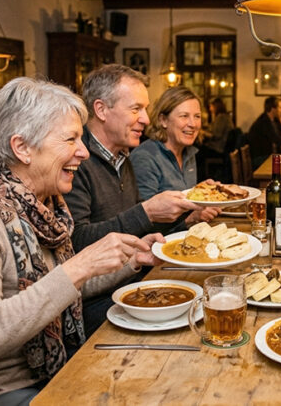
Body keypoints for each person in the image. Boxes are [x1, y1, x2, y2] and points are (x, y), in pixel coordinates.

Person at [0, 77, 163, 405]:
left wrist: (132, 262)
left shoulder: (45, 208)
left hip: (39, 375)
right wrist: (78, 267)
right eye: (70, 139)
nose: (84, 151)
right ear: (22, 148)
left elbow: (58, 291)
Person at [63, 65, 205, 331]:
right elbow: (75, 243)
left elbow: (136, 227)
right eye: (135, 109)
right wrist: (147, 212)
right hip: (94, 305)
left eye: (145, 109)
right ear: (102, 110)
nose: (146, 119)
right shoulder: (76, 161)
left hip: (133, 283)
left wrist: (185, 217)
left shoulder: (122, 157)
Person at [130, 87, 221, 219]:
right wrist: (191, 219)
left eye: (197, 116)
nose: (193, 124)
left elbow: (183, 199)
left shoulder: (188, 151)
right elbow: (143, 221)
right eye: (184, 116)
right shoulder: (145, 157)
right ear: (163, 120)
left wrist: (202, 190)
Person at [247, 96, 281, 169]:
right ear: (273, 109)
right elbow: (278, 140)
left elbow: (280, 135)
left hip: (266, 155)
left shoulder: (271, 120)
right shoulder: (264, 122)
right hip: (260, 158)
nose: (280, 110)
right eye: (279, 108)